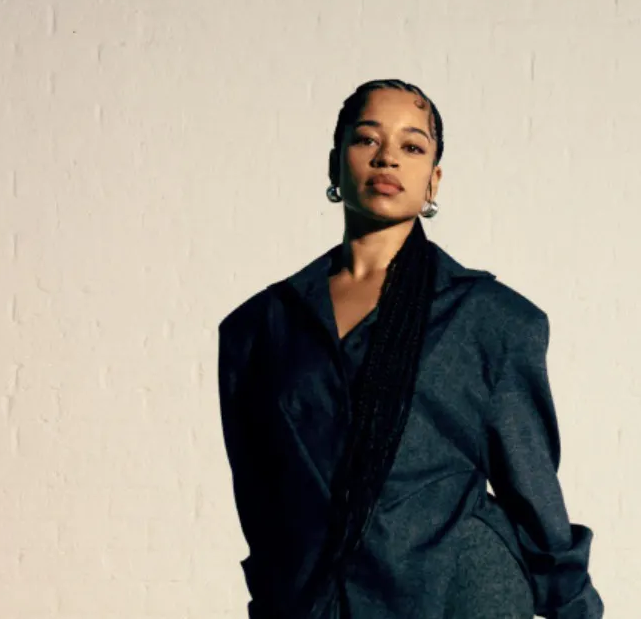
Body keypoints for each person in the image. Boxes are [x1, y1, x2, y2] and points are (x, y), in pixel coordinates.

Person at [217, 78, 604, 618]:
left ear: (433, 181)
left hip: (457, 592)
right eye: (367, 140)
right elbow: (259, 499)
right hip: (317, 599)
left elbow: (532, 488)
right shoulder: (259, 327)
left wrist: (573, 607)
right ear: (334, 164)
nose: (388, 158)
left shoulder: (489, 319)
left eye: (412, 146)